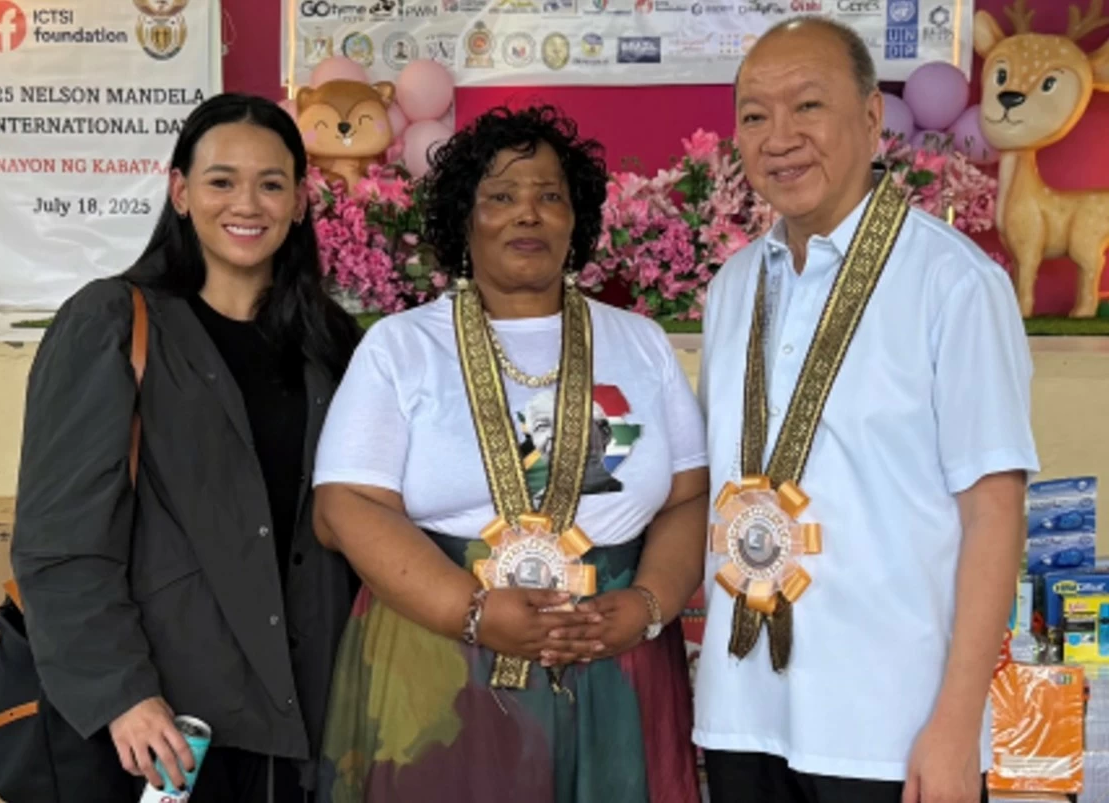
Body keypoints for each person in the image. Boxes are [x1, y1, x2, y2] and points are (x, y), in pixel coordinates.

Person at [310, 105, 709, 802]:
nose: (528, 213)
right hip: (441, 663)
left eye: (550, 196)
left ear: (575, 219)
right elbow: (345, 505)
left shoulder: (639, 343)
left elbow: (688, 496)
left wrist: (648, 603)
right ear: (464, 220)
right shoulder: (403, 347)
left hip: (613, 656)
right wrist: (472, 610)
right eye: (500, 196)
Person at [693, 16, 1039, 803]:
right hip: (742, 712)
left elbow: (994, 510)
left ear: (872, 119)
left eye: (807, 106)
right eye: (754, 115)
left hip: (891, 726)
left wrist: (957, 721)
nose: (779, 137)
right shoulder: (732, 288)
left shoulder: (953, 283)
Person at [10, 93, 362, 803]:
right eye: (221, 180)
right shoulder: (112, 322)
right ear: (180, 191)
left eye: (271, 183)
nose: (248, 203)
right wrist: (121, 694)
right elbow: (61, 540)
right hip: (172, 725)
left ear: (299, 202)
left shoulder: (330, 341)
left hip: (313, 715)